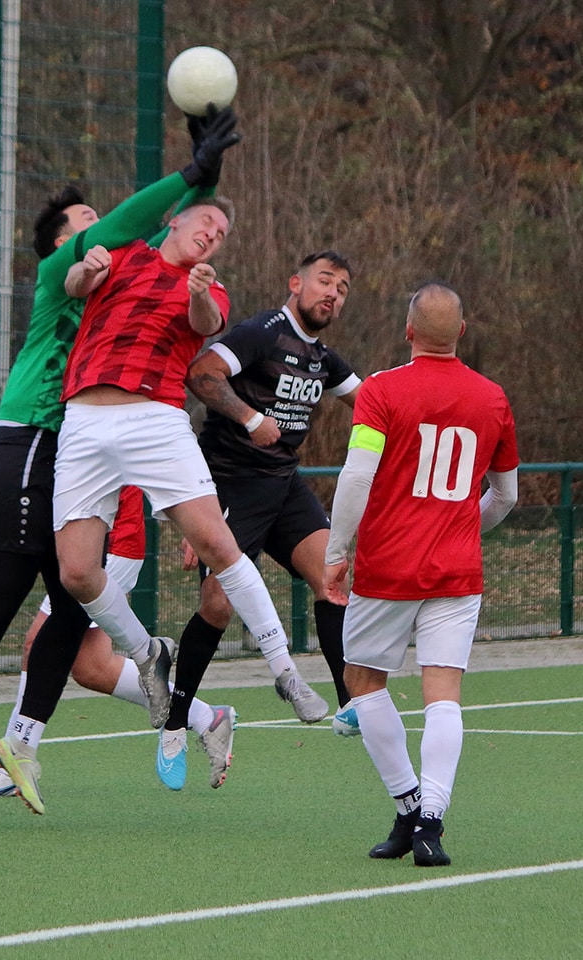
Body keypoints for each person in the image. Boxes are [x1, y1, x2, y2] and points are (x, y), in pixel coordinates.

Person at [0, 106, 243, 813]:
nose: (105, 233)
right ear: (69, 244)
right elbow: (134, 220)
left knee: (71, 606)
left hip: (74, 457)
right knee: (11, 601)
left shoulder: (128, 283)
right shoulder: (57, 275)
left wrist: (201, 185)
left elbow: (166, 239)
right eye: (87, 225)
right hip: (27, 442)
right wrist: (191, 175)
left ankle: (22, 746)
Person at [53, 194, 332, 795]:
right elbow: (71, 286)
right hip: (83, 419)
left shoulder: (210, 288)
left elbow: (205, 325)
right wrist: (87, 268)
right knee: (76, 573)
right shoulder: (123, 254)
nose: (214, 234)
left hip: (154, 418)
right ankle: (145, 652)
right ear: (175, 218)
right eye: (207, 221)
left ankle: (285, 670)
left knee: (218, 544)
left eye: (223, 232)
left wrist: (201, 290)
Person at [323, 283, 519, 868]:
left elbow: (357, 479)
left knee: (364, 681)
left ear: (408, 331)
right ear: (462, 332)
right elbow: (505, 496)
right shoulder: (493, 398)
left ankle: (410, 803)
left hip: (386, 567)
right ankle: (429, 817)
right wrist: (461, 532)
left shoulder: (381, 390)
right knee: (444, 695)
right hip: (457, 571)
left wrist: (336, 549)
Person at [154, 250, 360, 790]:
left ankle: (349, 705)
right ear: (295, 283)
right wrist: (249, 418)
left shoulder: (324, 359)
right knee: (217, 606)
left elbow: (372, 405)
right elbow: (201, 374)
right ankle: (175, 725)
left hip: (284, 489)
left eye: (341, 288)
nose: (331, 293)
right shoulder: (262, 332)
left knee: (335, 580)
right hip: (228, 485)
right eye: (323, 281)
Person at [0, 486, 233, 798]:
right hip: (91, 541)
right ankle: (206, 717)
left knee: (38, 643)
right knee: (91, 666)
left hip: (110, 544)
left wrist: (197, 525)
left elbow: (163, 455)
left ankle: (12, 764)